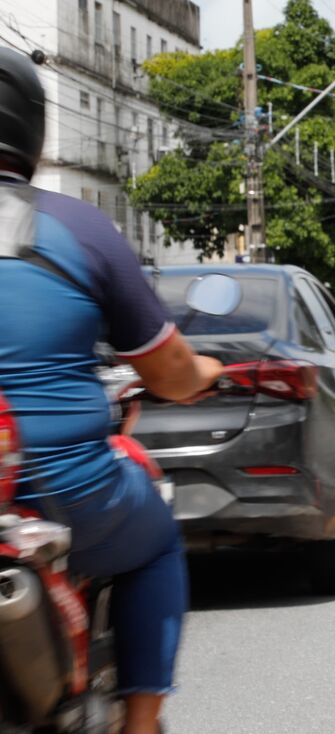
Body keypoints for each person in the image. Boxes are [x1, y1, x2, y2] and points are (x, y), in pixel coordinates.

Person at [0, 48, 222, 734]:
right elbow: (172, 373)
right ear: (33, 130)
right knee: (156, 538)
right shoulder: (80, 229)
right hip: (54, 492)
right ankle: (140, 720)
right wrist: (205, 373)